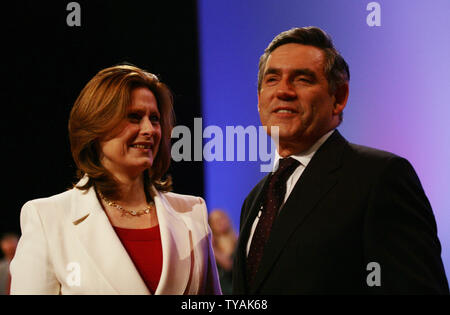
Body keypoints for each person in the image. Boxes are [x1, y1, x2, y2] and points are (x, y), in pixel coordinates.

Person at [232, 27, 449, 294]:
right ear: (259, 99)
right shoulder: (254, 200)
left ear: (339, 98)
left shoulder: (379, 178)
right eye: (272, 79)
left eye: (303, 79)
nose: (283, 91)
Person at [10, 64, 221, 295]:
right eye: (134, 117)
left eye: (155, 118)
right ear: (96, 127)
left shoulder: (193, 213)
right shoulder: (47, 218)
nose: (149, 129)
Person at [209, 209, 238, 294]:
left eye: (221, 218)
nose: (219, 222)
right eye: (215, 221)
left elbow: (230, 266)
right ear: (211, 225)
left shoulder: (239, 242)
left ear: (228, 219)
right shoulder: (210, 247)